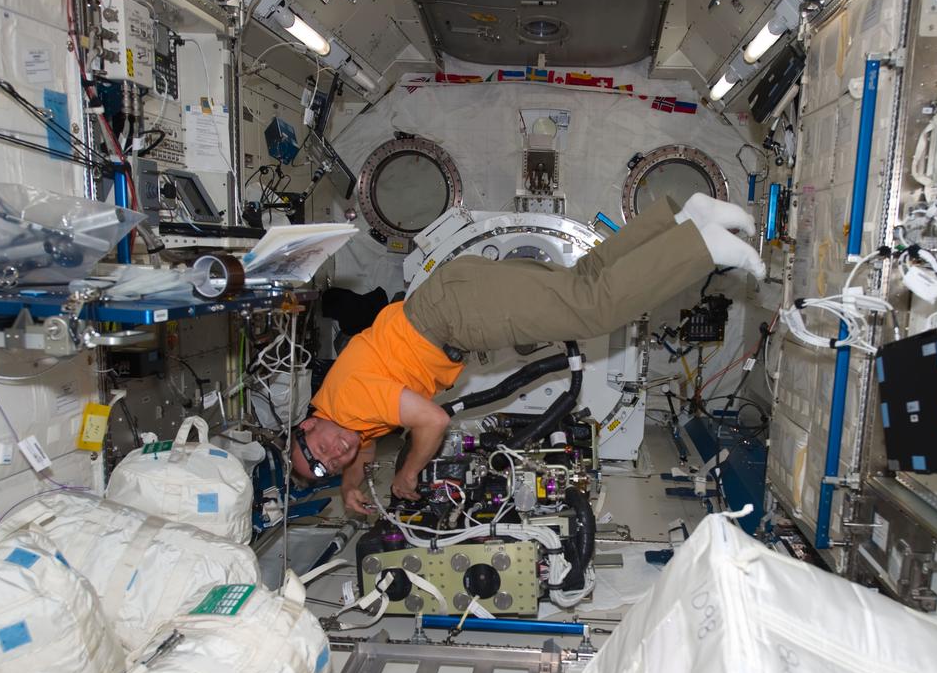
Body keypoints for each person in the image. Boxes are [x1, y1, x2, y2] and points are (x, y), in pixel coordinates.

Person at [292, 193, 761, 515]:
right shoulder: (343, 415)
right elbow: (361, 443)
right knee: (585, 276)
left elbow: (432, 421)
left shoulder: (349, 400)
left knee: (592, 309)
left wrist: (407, 475)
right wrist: (350, 484)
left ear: (309, 424)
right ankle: (685, 219)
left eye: (317, 452)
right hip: (449, 301)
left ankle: (701, 247)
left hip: (453, 316)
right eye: (324, 469)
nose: (332, 457)